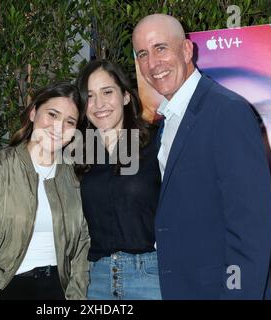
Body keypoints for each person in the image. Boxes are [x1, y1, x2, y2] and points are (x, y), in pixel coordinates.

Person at [132, 14, 271, 299]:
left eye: (161, 48)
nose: (152, 64)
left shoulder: (226, 111)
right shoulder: (169, 119)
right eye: (143, 54)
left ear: (186, 50)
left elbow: (249, 228)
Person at [0, 82, 90, 300]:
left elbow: (81, 244)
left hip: (59, 290)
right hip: (7, 288)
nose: (59, 127)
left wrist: (76, 295)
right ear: (33, 113)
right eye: (52, 115)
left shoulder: (72, 175)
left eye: (69, 122)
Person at [75, 59, 161, 300]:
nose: (99, 104)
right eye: (90, 96)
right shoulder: (80, 153)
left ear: (125, 96)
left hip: (150, 277)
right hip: (97, 279)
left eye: (107, 92)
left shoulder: (155, 142)